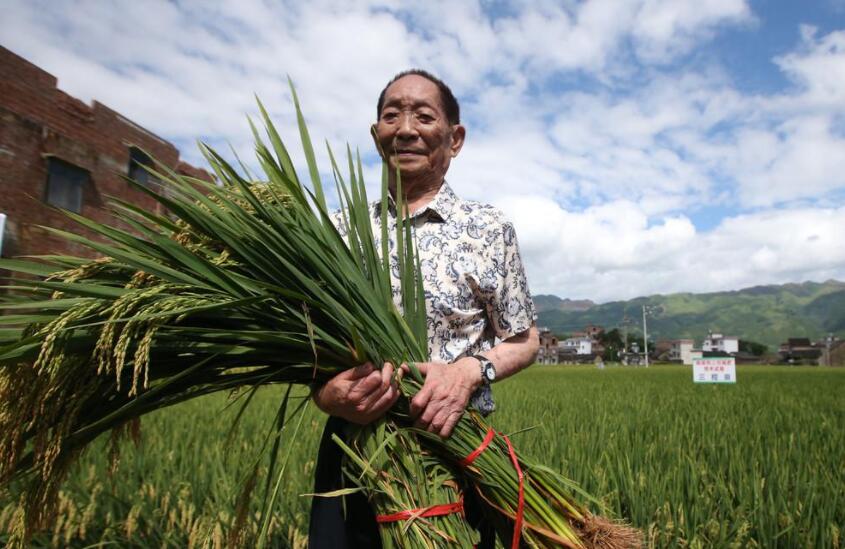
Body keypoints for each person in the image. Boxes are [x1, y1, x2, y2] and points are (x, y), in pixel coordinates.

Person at [308, 69, 539, 549]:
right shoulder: (338, 232)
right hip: (355, 454)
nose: (406, 128)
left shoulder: (489, 228)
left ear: (455, 138)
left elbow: (523, 339)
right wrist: (327, 393)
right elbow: (309, 344)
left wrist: (468, 373)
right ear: (377, 136)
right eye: (391, 115)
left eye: (423, 115)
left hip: (456, 452)